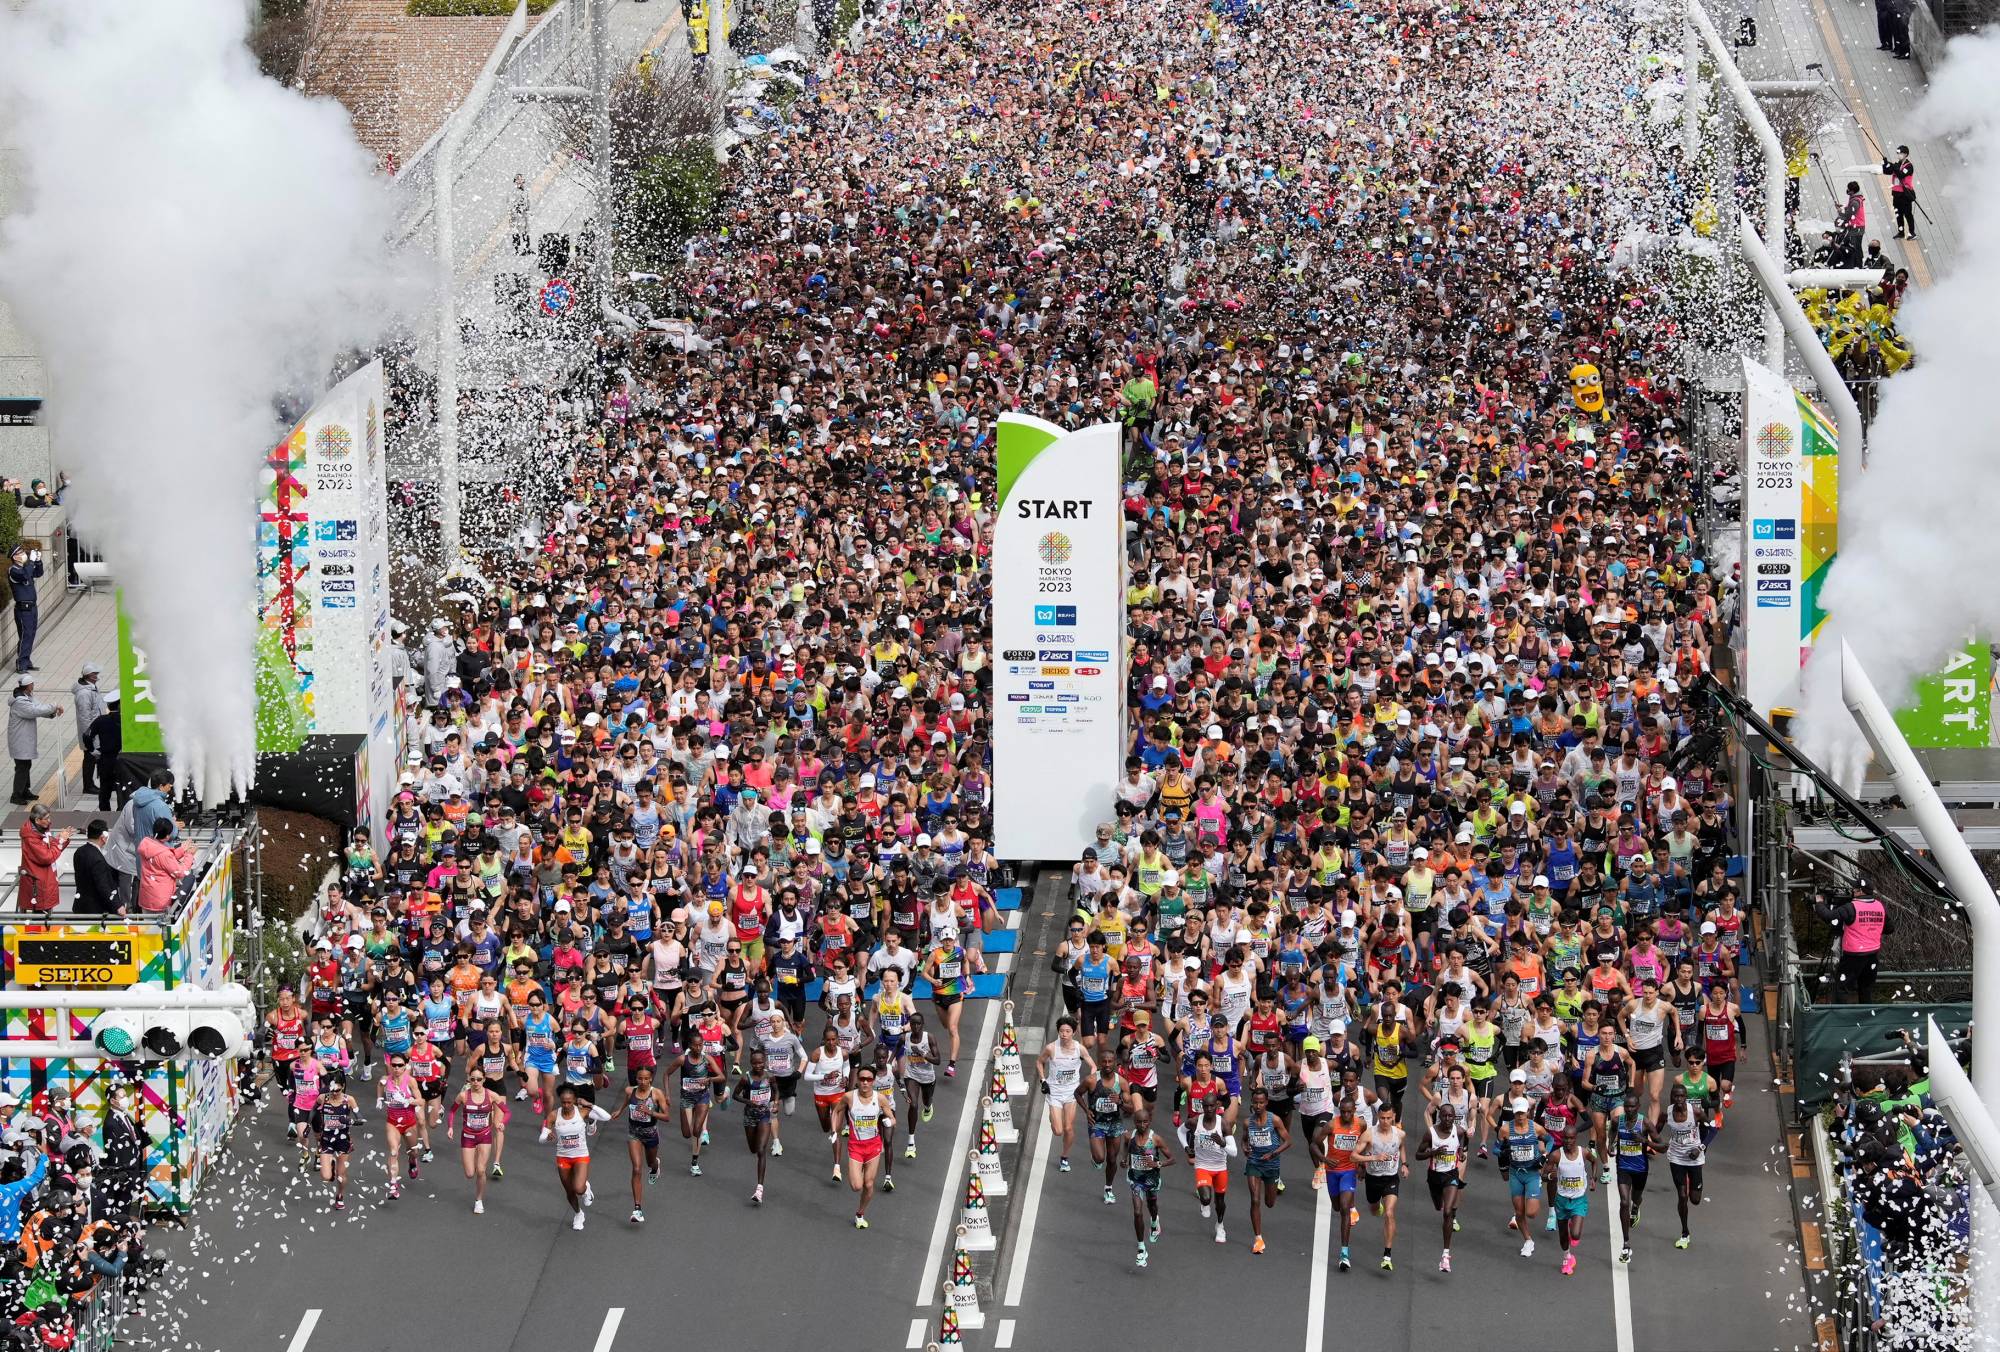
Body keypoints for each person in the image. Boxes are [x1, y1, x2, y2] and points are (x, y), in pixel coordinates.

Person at [541, 1085, 611, 1230]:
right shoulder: (554, 1115)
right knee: (570, 1191)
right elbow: (541, 1137)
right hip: (563, 1158)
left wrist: (590, 1104)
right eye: (563, 1102)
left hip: (580, 1155)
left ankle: (586, 1189)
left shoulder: (582, 1112)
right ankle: (578, 1214)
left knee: (578, 1188)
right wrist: (546, 1136)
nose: (566, 1105)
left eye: (569, 1102)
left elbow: (607, 1117)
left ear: (574, 1100)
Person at [832, 1064, 894, 1229]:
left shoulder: (880, 1098)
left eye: (868, 1079)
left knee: (868, 1184)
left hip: (873, 1145)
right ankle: (856, 1170)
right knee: (856, 1186)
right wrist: (834, 1131)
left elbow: (892, 1117)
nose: (865, 1082)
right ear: (858, 1081)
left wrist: (889, 1121)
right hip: (856, 1147)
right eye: (862, 1079)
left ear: (873, 1081)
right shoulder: (849, 1097)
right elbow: (836, 1111)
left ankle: (860, 1213)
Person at [1814, 886, 1889, 1005]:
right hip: (1873, 955)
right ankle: (1866, 1017)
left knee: (1842, 988)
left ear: (1860, 891)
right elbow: (1889, 928)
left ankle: (1841, 1018)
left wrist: (1819, 903)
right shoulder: (1879, 906)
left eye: (1855, 889)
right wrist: (1870, 928)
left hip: (1853, 955)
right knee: (1866, 988)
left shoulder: (1851, 907)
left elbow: (1829, 917)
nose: (1853, 892)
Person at [448, 1066, 507, 1214]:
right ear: (469, 1080)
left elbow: (507, 1112)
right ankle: (474, 1155)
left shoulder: (492, 1095)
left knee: (481, 1170)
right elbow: (452, 1111)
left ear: (484, 1080)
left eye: (479, 1079)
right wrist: (450, 1127)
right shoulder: (463, 1096)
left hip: (484, 1136)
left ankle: (479, 1200)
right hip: (468, 1137)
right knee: (469, 1174)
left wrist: (502, 1123)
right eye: (472, 1079)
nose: (475, 1082)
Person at [1414, 1101, 1465, 1273]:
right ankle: (1443, 1205)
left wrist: (1462, 1153)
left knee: (1447, 1212)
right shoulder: (1431, 1134)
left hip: (1451, 1175)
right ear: (1439, 1116)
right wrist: (1433, 1153)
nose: (1448, 1119)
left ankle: (1445, 1255)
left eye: (1451, 1116)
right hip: (1434, 1177)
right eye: (1444, 1115)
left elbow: (1463, 1144)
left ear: (1454, 1117)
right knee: (1439, 1206)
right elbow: (1418, 1155)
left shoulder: (1459, 1131)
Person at [1123, 1116, 1174, 1268]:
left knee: (1152, 1205)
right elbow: (1126, 1146)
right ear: (1135, 1122)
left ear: (1149, 1122)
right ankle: (1141, 1249)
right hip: (1135, 1180)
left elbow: (1172, 1159)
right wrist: (1124, 1159)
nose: (1142, 1124)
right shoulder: (1129, 1136)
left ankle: (1154, 1221)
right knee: (1137, 1212)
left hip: (1152, 1180)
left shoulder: (1156, 1139)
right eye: (1139, 1122)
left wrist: (1157, 1163)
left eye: (1145, 1122)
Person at [7, 676, 59, 805]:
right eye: (32, 684)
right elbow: (34, 711)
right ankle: (17, 795)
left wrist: (51, 713)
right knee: (22, 766)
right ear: (28, 686)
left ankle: (25, 790)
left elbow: (39, 707)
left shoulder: (27, 697)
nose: (33, 685)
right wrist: (54, 705)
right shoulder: (20, 702)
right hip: (19, 740)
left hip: (24, 739)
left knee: (26, 765)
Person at [312, 1072, 358, 1210]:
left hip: (343, 1140)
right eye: (332, 1090)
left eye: (337, 1090)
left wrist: (350, 1121)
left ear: (343, 1087)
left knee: (341, 1174)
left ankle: (339, 1195)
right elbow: (313, 1110)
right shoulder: (323, 1098)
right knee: (326, 1176)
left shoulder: (349, 1100)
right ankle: (330, 1163)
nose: (334, 1093)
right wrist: (308, 1125)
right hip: (326, 1139)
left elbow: (360, 1118)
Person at [136, 815, 194, 913]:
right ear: (167, 836)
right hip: (161, 901)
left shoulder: (147, 844)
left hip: (146, 898)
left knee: (148, 926)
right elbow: (180, 872)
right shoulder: (164, 854)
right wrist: (189, 855)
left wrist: (181, 850)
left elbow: (162, 861)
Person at [17, 802, 67, 913]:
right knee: (40, 921)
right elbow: (47, 856)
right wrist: (60, 840)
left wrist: (61, 839)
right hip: (39, 885)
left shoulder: (40, 830)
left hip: (44, 881)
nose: (50, 821)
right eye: (47, 818)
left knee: (44, 917)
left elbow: (49, 850)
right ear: (37, 820)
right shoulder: (31, 838)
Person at [71, 663, 106, 796]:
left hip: (96, 730)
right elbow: (84, 717)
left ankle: (92, 783)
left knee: (93, 758)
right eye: (95, 674)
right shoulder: (84, 694)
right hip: (91, 733)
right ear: (89, 676)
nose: (97, 676)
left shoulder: (91, 688)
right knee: (90, 758)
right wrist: (90, 735)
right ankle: (88, 785)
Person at [8, 543, 43, 673]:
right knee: (25, 635)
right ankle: (21, 664)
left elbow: (38, 573)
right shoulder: (14, 570)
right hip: (23, 609)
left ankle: (27, 661)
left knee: (31, 634)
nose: (23, 554)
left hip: (32, 607)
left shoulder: (25, 567)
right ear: (15, 557)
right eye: (20, 553)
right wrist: (31, 561)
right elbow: (25, 575)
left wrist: (38, 561)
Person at [73, 818, 118, 916]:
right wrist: (117, 906)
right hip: (95, 910)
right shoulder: (98, 859)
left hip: (80, 906)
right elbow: (103, 886)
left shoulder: (79, 852)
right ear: (103, 837)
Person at [87, 690, 123, 812]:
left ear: (108, 706)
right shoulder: (126, 720)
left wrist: (93, 750)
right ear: (120, 705)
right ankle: (120, 811)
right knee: (121, 787)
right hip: (122, 759)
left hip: (105, 759)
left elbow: (87, 735)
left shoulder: (100, 720)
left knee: (105, 789)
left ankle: (105, 812)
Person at [1883, 147, 1918, 239]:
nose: (1898, 155)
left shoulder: (1909, 166)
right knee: (1898, 214)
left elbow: (1901, 174)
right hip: (1897, 193)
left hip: (1905, 194)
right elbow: (1887, 171)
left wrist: (1894, 166)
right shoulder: (1898, 164)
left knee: (1908, 214)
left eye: (1900, 153)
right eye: (1897, 153)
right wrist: (1886, 164)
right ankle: (1901, 232)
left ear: (1905, 154)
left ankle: (1912, 233)